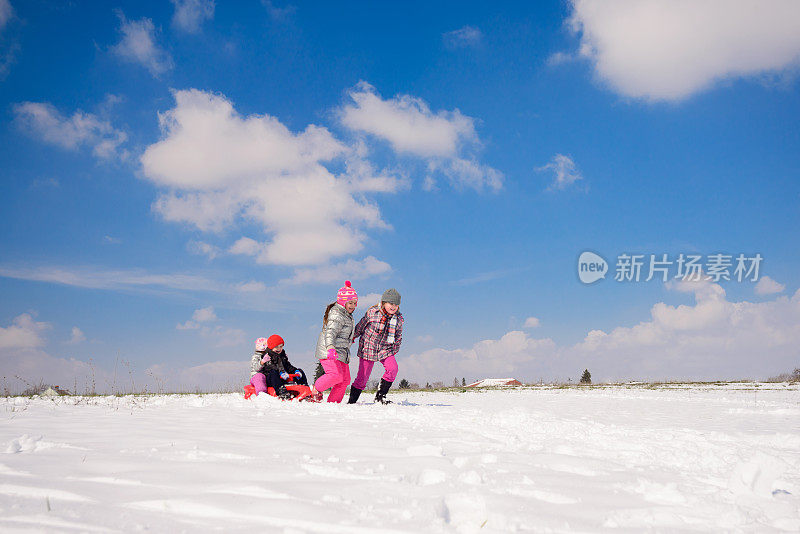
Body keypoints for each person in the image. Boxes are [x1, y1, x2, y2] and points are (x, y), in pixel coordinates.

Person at [349, 288, 403, 405]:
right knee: (362, 378)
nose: (393, 307)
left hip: (385, 348)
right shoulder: (373, 313)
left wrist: (394, 349)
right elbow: (360, 327)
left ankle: (380, 396)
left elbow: (398, 336)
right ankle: (352, 402)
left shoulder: (398, 319)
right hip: (368, 347)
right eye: (391, 303)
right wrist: (352, 337)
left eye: (396, 304)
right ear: (384, 303)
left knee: (393, 368)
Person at [311, 281, 357, 403]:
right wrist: (330, 347)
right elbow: (330, 332)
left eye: (355, 303)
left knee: (345, 380)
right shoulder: (337, 313)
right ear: (343, 301)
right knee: (335, 375)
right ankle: (316, 389)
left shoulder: (347, 315)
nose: (353, 306)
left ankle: (333, 403)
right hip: (329, 350)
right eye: (350, 303)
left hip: (341, 351)